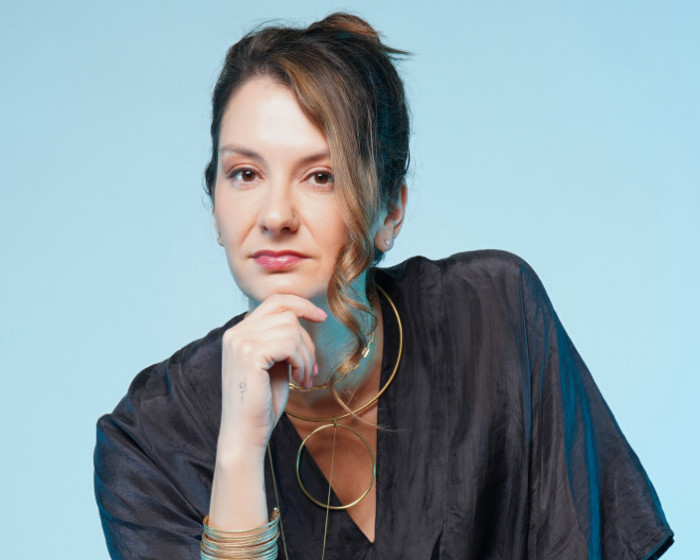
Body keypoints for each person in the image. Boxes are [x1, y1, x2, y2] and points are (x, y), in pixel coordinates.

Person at [94, 12, 674, 560]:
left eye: (321, 176)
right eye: (245, 174)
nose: (275, 215)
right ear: (216, 206)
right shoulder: (149, 439)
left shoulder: (494, 317)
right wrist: (240, 453)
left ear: (390, 210)